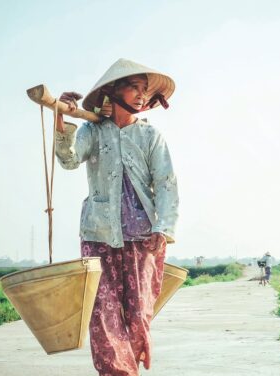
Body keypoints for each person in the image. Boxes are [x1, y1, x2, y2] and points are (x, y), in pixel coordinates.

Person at [55, 58, 179, 376]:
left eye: (143, 90)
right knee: (103, 317)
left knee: (138, 317)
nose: (140, 95)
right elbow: (68, 160)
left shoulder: (150, 137)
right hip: (98, 235)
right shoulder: (93, 130)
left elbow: (166, 185)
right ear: (113, 90)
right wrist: (60, 117)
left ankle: (131, 367)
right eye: (133, 87)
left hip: (143, 239)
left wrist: (163, 228)